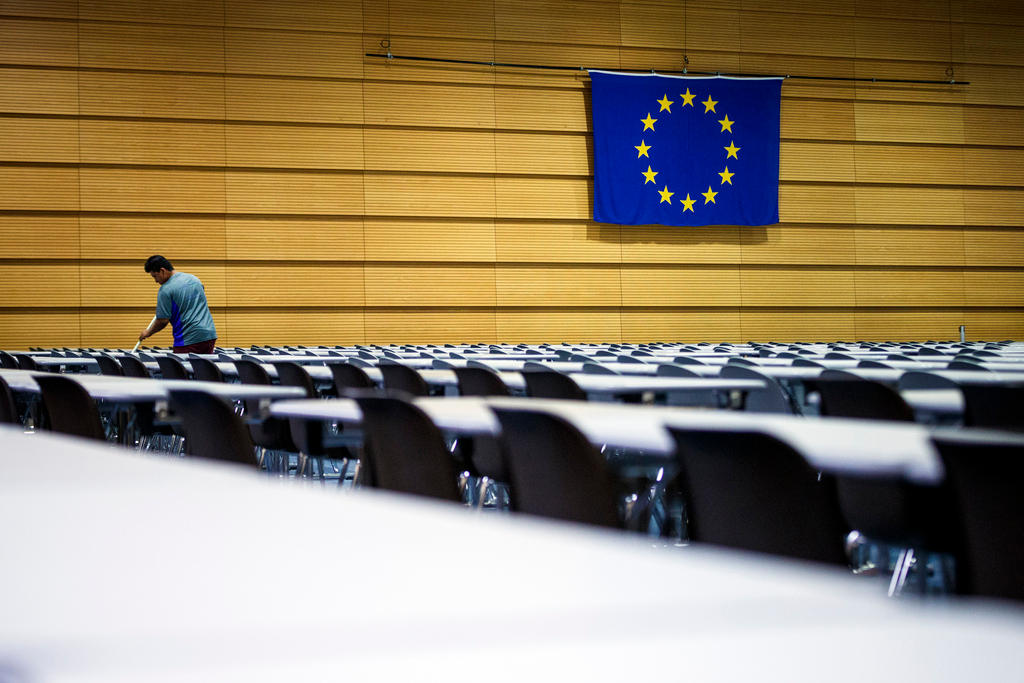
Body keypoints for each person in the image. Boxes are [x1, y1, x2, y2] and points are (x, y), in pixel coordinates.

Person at [138, 255, 218, 354]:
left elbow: (162, 321)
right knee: (203, 368)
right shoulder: (194, 279)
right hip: (209, 334)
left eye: (155, 276)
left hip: (188, 338)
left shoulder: (166, 289)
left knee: (182, 369)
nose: (156, 281)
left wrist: (148, 332)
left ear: (162, 270)